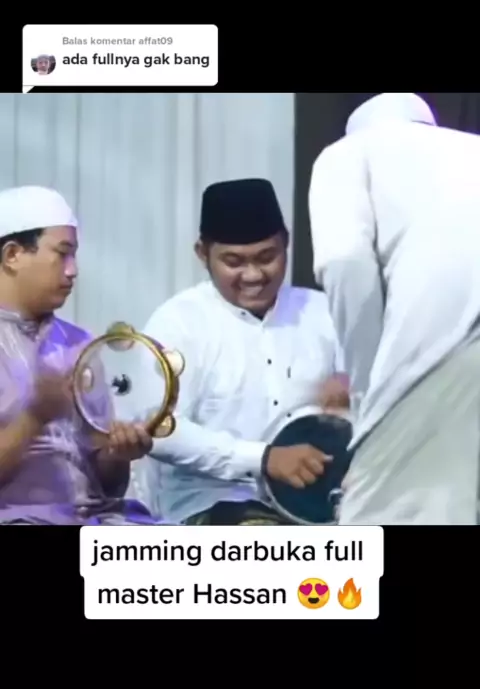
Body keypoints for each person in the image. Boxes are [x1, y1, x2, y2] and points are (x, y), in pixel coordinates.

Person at [128, 177, 348, 525]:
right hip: (216, 501)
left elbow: (372, 401)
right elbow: (161, 429)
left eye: (267, 257)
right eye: (234, 261)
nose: (253, 275)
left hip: (324, 500)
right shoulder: (178, 323)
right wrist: (263, 459)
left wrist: (353, 397)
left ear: (287, 243)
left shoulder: (324, 312)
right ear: (203, 254)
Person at [308, 92, 480, 526]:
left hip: (446, 343)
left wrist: (369, 397)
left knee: (378, 524)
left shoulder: (348, 153)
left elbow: (344, 262)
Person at [0, 185, 164, 525]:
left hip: (99, 521)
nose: (73, 270)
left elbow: (110, 487)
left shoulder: (80, 344)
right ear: (12, 255)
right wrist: (33, 418)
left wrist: (119, 453)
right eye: (62, 254)